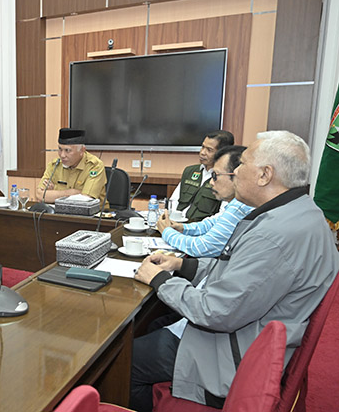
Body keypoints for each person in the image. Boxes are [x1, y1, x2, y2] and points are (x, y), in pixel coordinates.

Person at [129, 131, 339, 412]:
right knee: (153, 325)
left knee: (122, 361)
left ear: (265, 175)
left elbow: (214, 312)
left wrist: (161, 281)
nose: (235, 171)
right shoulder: (302, 212)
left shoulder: (274, 235)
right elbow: (237, 272)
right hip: (253, 335)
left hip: (232, 354)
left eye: (243, 164)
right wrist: (182, 265)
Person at [156, 146, 254, 257]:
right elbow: (210, 224)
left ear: (237, 175)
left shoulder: (241, 207)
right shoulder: (238, 203)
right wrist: (182, 228)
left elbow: (202, 247)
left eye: (215, 176)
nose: (211, 182)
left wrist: (167, 232)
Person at [169, 130, 235, 222]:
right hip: (176, 223)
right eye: (203, 147)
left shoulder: (226, 179)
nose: (202, 152)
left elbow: (222, 215)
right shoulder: (190, 171)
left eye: (209, 150)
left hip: (200, 229)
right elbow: (173, 201)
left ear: (223, 153)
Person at [36, 128, 107, 204]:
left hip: (93, 214)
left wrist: (54, 191)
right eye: (60, 149)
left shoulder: (95, 166)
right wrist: (72, 193)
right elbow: (40, 195)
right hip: (60, 213)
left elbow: (85, 201)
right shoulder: (55, 165)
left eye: (67, 150)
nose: (62, 155)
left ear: (82, 151)